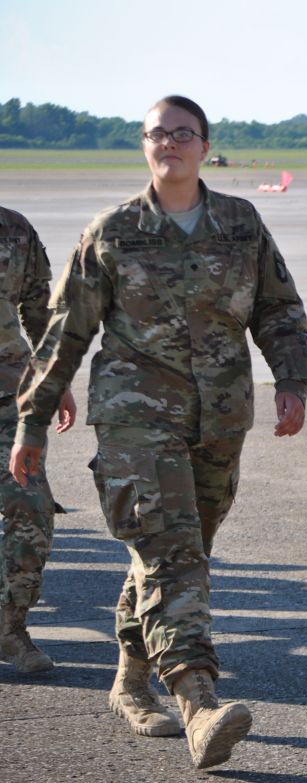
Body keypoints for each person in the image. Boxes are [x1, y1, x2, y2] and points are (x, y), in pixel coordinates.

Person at [9, 95, 307, 768]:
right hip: (134, 420)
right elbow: (64, 332)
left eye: (183, 133)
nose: (170, 143)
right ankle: (198, 701)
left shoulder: (240, 223)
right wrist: (32, 420)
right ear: (144, 145)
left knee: (174, 555)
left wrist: (292, 379)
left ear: (205, 146)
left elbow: (278, 308)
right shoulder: (113, 232)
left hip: (219, 420)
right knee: (172, 554)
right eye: (158, 134)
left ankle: (129, 677)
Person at [0, 206, 76, 674]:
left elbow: (37, 309)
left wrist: (56, 376)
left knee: (31, 507)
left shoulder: (14, 229)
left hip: (9, 394)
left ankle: (9, 628)